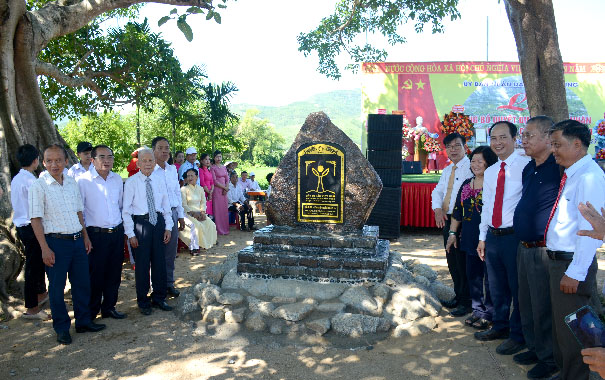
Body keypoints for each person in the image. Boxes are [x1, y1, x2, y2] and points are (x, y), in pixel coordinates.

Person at [545, 119, 605, 380]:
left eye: (557, 145)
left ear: (577, 144)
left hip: (571, 265)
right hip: (562, 262)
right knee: (566, 326)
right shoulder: (574, 173)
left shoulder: (589, 177)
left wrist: (576, 272)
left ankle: (579, 377)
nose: (553, 150)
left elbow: (590, 231)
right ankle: (568, 373)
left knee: (576, 329)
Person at [29, 144, 105, 345]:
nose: (54, 164)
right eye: (50, 161)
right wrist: (44, 248)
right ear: (43, 163)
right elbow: (35, 219)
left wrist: (85, 236)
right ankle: (62, 328)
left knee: (82, 284)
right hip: (55, 243)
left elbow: (79, 212)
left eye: (58, 160)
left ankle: (83, 321)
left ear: (65, 161)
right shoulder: (38, 186)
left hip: (77, 240)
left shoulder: (71, 182)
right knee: (56, 288)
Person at [510, 116, 560, 378]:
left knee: (543, 305)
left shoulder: (558, 168)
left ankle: (549, 358)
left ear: (547, 137)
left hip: (544, 249)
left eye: (529, 135)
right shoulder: (529, 168)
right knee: (526, 302)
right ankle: (534, 346)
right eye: (523, 135)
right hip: (523, 247)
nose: (523, 140)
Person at [476, 121, 530, 355]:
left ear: (515, 138)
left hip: (515, 237)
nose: (498, 143)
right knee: (496, 287)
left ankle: (518, 335)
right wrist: (482, 237)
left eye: (503, 137)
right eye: (493, 138)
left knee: (518, 289)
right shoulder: (490, 171)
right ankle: (500, 326)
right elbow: (487, 205)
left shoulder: (526, 165)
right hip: (493, 237)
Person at [446, 146, 498, 331]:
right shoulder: (466, 184)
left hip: (489, 239)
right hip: (468, 238)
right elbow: (457, 212)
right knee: (473, 276)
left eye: (480, 161)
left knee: (491, 279)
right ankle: (477, 310)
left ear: (489, 163)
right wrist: (452, 234)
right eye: (473, 161)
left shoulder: (494, 184)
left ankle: (490, 314)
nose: (475, 165)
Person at [122, 148, 174, 316]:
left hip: (158, 223)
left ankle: (159, 297)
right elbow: (126, 211)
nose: (147, 163)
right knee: (142, 265)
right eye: (144, 160)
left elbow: (166, 206)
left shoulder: (160, 179)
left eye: (150, 160)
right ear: (138, 163)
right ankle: (143, 301)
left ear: (154, 162)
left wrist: (168, 227)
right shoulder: (131, 182)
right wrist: (130, 234)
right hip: (141, 224)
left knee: (159, 262)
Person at [77, 145, 126, 320]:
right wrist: (85, 237)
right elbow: (79, 211)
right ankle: (91, 312)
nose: (106, 160)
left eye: (110, 157)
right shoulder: (83, 181)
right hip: (95, 235)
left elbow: (121, 206)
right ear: (93, 160)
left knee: (114, 273)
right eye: (102, 157)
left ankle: (109, 307)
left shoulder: (117, 179)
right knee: (96, 274)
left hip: (116, 233)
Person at [431, 132, 473, 316]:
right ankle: (458, 296)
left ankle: (467, 301)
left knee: (464, 263)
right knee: (452, 261)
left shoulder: (472, 167)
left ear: (465, 146)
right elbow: (437, 191)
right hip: (448, 221)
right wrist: (437, 209)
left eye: (457, 146)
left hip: (464, 222)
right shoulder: (448, 169)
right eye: (449, 147)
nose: (453, 150)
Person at [11, 144, 49, 320]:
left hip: (22, 225)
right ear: (35, 161)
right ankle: (31, 308)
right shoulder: (31, 182)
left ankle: (41, 294)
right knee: (33, 266)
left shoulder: (17, 179)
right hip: (31, 226)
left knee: (37, 263)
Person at [151, 137, 185, 298]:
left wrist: (180, 215)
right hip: (155, 216)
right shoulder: (149, 170)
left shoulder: (172, 169)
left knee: (170, 252)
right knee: (157, 251)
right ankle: (156, 287)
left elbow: (176, 193)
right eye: (160, 148)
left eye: (167, 148)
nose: (164, 151)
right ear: (153, 150)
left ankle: (169, 283)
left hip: (172, 212)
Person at [179, 168, 217, 255]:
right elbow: (184, 205)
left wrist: (203, 212)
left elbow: (203, 202)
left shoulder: (200, 189)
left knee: (211, 224)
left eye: (192, 175)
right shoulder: (183, 189)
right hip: (187, 213)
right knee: (197, 226)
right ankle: (194, 248)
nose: (190, 178)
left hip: (200, 213)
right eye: (188, 176)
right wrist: (193, 213)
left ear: (196, 177)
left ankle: (206, 243)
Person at [210, 150, 230, 235]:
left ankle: (225, 228)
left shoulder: (224, 167)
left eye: (220, 156)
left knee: (224, 210)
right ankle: (219, 229)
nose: (219, 158)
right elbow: (214, 181)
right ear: (214, 158)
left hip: (224, 191)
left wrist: (226, 188)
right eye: (217, 157)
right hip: (217, 191)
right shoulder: (212, 167)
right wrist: (224, 187)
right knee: (218, 210)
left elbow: (227, 178)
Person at [198, 153, 214, 217]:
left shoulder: (209, 170)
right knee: (205, 211)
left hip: (210, 193)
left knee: (210, 213)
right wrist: (208, 192)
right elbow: (202, 182)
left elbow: (212, 182)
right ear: (201, 161)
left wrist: (211, 192)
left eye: (209, 159)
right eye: (206, 159)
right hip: (204, 193)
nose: (208, 161)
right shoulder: (200, 170)